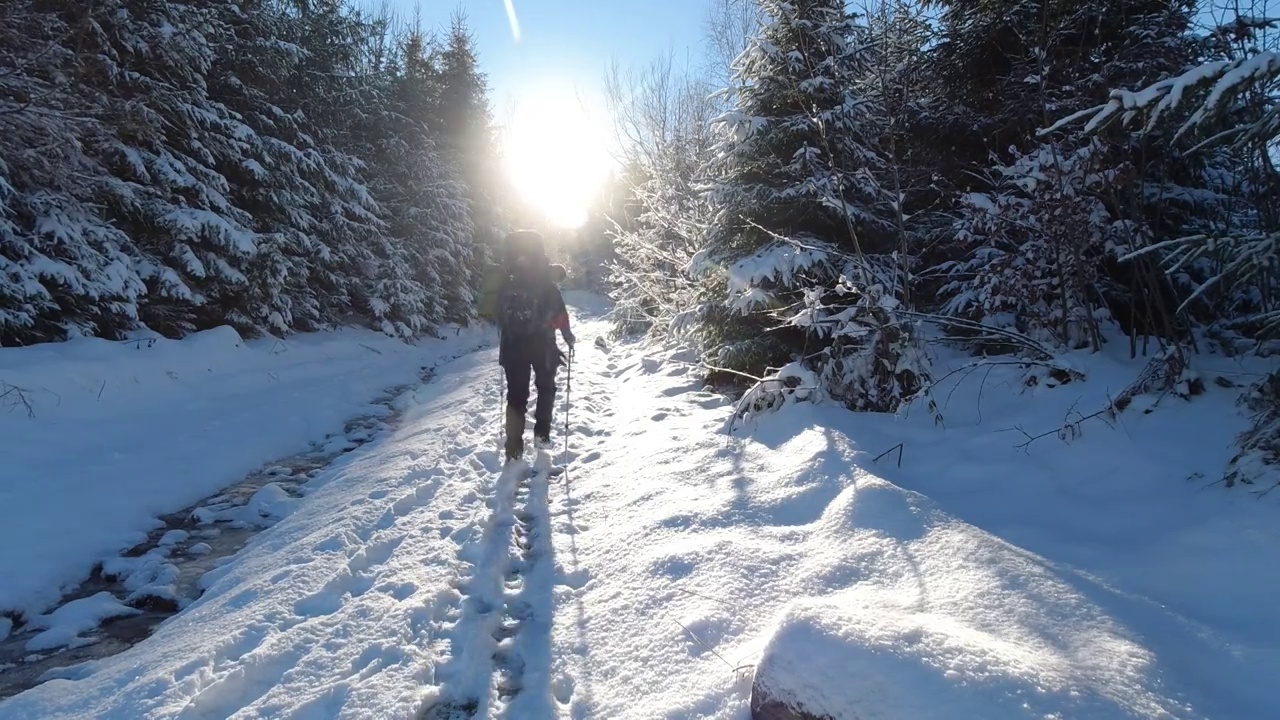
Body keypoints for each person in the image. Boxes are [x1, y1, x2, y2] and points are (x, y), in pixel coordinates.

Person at [496, 231, 575, 461]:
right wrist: (568, 336)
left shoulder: (504, 280)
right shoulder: (544, 281)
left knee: (516, 396)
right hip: (543, 345)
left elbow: (496, 312)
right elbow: (559, 313)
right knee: (546, 388)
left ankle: (513, 448)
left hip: (512, 346)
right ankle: (542, 435)